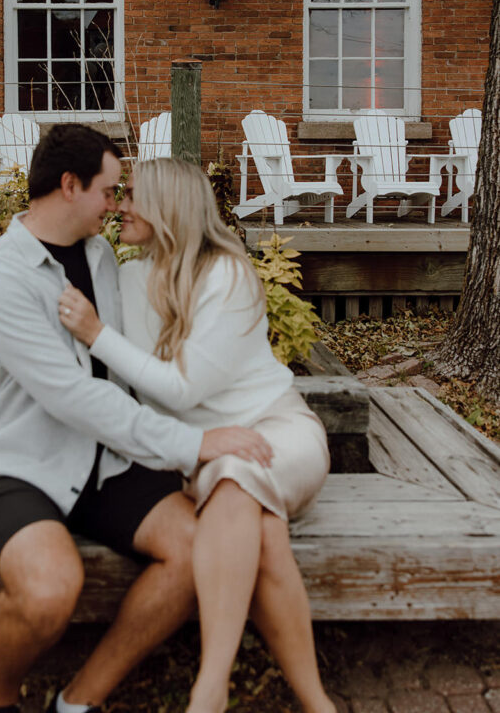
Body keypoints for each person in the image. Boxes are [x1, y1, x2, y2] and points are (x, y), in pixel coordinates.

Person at [0, 125, 273, 713]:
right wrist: (193, 443)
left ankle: (78, 700)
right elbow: (74, 396)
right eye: (109, 190)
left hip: (105, 461)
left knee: (196, 550)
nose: (118, 203)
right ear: (70, 185)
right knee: (50, 590)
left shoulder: (101, 258)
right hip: (15, 465)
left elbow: (131, 364)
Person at [59, 157, 335, 713]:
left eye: (133, 195)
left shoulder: (227, 274)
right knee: (264, 533)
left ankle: (211, 687)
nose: (120, 206)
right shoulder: (130, 277)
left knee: (235, 479)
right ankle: (317, 704)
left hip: (276, 431)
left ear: (170, 206)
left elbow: (183, 389)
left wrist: (96, 334)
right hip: (206, 453)